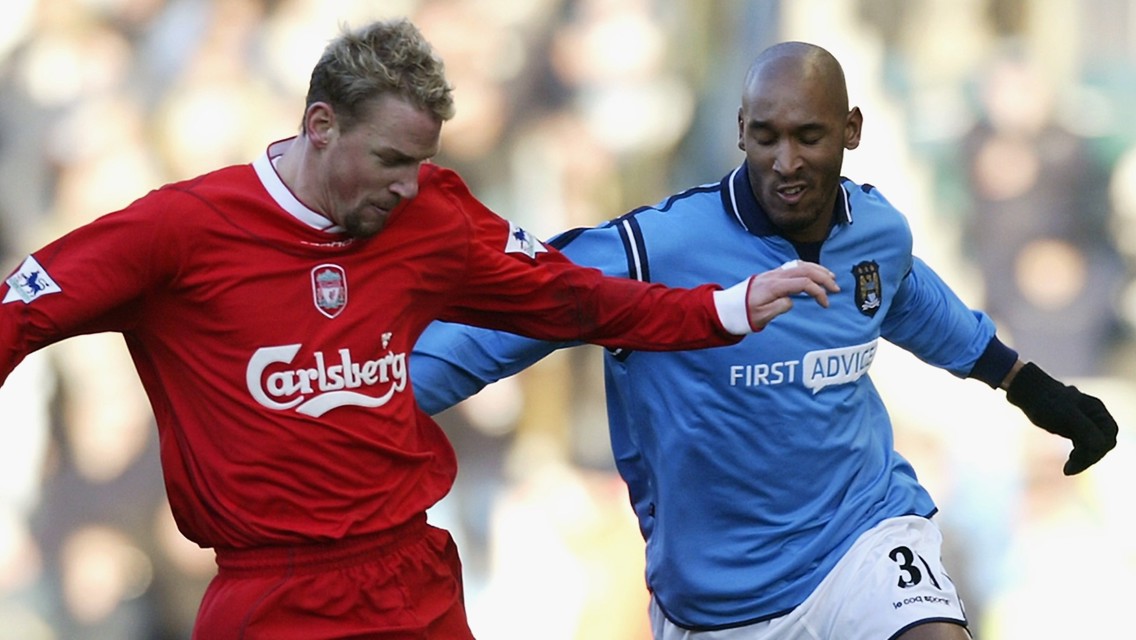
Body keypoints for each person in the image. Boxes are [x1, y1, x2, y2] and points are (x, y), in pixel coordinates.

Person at [0, 20, 841, 640]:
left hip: (412, 580)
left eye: (424, 160)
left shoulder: (431, 214)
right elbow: (19, 312)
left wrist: (719, 309)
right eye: (392, 160)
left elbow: (569, 296)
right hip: (272, 598)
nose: (410, 185)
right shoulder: (181, 232)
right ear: (320, 125)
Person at [411, 41, 1119, 640]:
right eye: (767, 136)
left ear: (852, 129)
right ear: (741, 130)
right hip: (720, 596)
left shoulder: (876, 232)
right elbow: (522, 310)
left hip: (862, 535)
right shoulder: (658, 246)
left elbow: (914, 301)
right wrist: (382, 393)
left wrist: (1030, 386)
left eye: (808, 136)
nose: (786, 161)